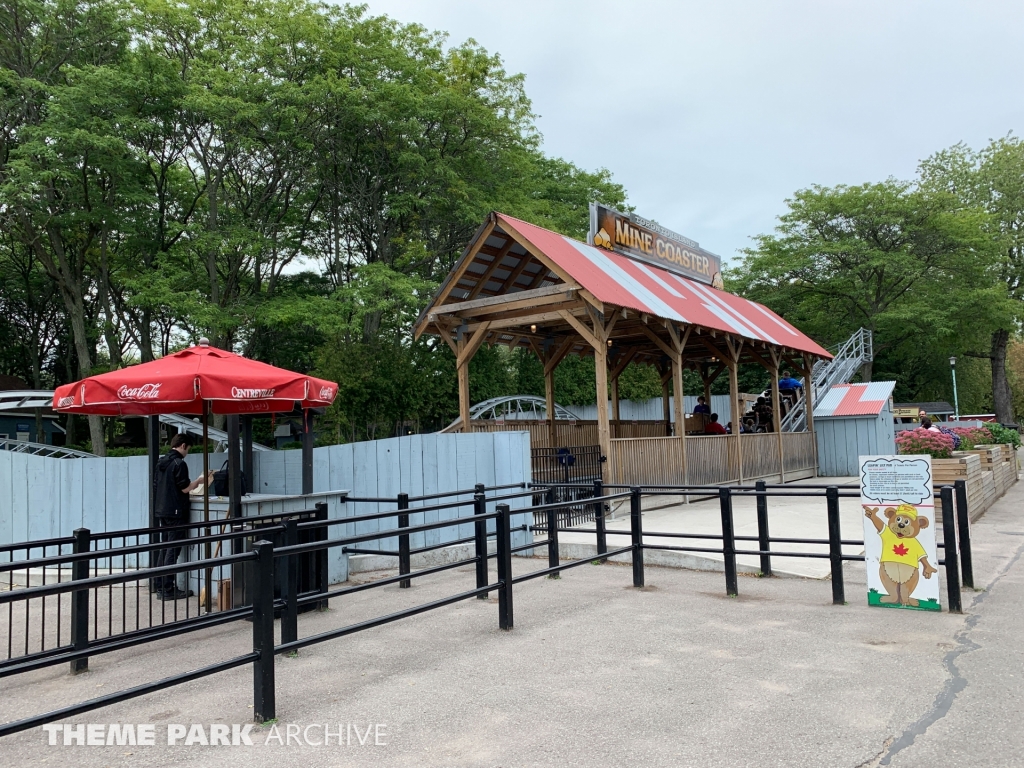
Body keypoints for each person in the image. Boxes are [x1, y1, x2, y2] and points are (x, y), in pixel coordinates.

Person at [153, 433, 209, 600]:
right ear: (183, 445)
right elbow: (185, 488)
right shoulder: (179, 463)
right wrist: (199, 481)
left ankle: (160, 585)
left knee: (165, 547)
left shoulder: (161, 462)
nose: (187, 453)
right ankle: (168, 588)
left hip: (162, 509)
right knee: (173, 548)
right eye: (188, 449)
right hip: (176, 510)